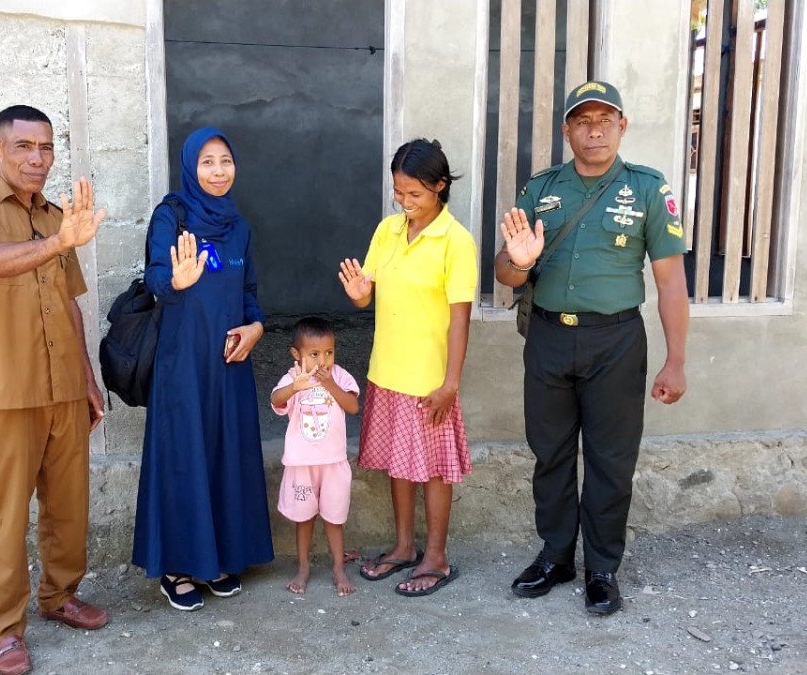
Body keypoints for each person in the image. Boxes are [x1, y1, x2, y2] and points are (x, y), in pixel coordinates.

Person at [495, 81, 689, 616]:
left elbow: (671, 283)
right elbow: (505, 270)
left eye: (606, 118)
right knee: (550, 452)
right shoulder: (541, 189)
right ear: (567, 131)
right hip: (550, 338)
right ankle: (556, 557)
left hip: (616, 342)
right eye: (583, 120)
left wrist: (676, 360)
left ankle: (601, 568)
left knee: (610, 460)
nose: (595, 128)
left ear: (622, 126)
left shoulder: (648, 189)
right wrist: (521, 260)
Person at [0, 105, 110, 675]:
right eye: (23, 147)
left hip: (63, 387)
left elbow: (69, 303)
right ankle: (3, 630)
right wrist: (57, 242)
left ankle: (60, 597)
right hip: (8, 390)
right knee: (7, 515)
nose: (37, 159)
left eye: (46, 147)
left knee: (68, 508)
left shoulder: (58, 214)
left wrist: (88, 380)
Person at [132, 127, 273, 611]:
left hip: (229, 363)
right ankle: (177, 565)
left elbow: (249, 293)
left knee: (224, 455)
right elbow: (154, 280)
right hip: (182, 364)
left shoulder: (239, 226)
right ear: (191, 167)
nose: (218, 171)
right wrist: (175, 278)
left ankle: (221, 558)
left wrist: (255, 329)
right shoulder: (171, 216)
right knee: (184, 457)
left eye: (225, 161)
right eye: (208, 162)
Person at [338, 138, 477, 597]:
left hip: (430, 379)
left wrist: (450, 383)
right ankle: (402, 548)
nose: (405, 202)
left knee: (435, 470)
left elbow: (460, 320)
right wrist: (358, 292)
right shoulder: (388, 230)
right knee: (399, 465)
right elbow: (367, 296)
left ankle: (435, 558)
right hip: (387, 371)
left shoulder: (456, 241)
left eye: (415, 193)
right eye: (399, 192)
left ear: (440, 186)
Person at [270, 317, 361, 597]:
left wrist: (332, 384)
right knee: (304, 518)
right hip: (301, 464)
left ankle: (337, 568)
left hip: (333, 462)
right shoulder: (294, 378)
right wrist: (295, 387)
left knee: (334, 519)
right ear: (297, 355)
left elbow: (353, 406)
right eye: (314, 354)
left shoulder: (340, 376)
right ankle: (303, 567)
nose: (323, 361)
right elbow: (276, 400)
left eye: (329, 353)